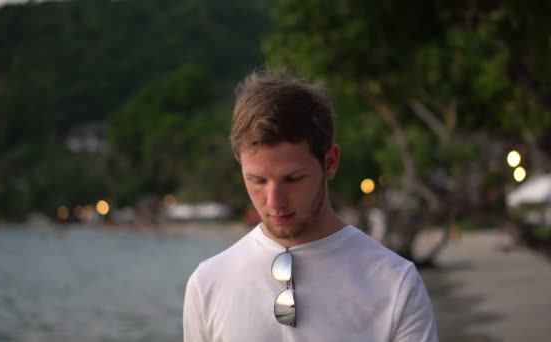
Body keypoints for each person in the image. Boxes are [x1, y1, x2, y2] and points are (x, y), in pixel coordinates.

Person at [183, 70, 438, 341]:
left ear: (330, 162)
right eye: (257, 180)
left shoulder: (395, 284)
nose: (274, 201)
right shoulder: (207, 284)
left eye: (293, 179)